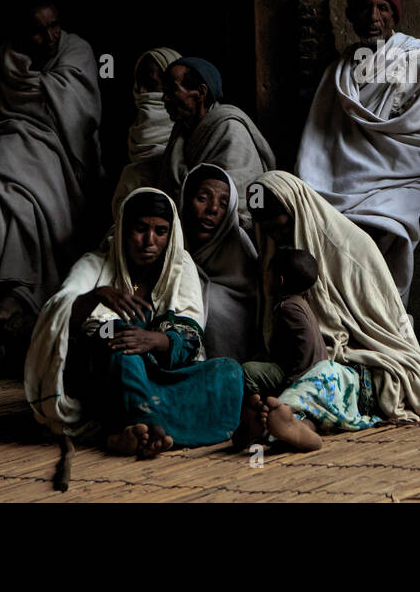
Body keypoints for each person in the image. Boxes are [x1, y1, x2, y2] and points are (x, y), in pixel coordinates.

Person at [25, 187, 244, 458]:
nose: (148, 241)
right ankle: (148, 427)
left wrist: (156, 340)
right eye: (140, 229)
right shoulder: (96, 263)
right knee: (117, 337)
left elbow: (191, 337)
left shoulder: (180, 266)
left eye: (160, 231)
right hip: (106, 374)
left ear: (170, 234)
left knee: (228, 371)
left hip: (160, 375)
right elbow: (58, 311)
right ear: (123, 229)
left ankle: (129, 430)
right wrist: (95, 296)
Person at [296, 0, 420, 303]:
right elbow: (322, 143)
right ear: (352, 18)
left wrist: (380, 168)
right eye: (364, 8)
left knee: (382, 226)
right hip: (344, 182)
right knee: (317, 225)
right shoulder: (339, 73)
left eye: (382, 8)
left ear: (394, 17)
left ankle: (382, 318)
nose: (373, 17)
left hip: (406, 179)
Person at [0, 0, 103, 330]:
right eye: (39, 31)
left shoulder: (78, 50)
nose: (50, 36)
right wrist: (37, 96)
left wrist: (39, 93)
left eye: (54, 25)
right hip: (7, 141)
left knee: (16, 191)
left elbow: (80, 111)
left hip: (60, 150)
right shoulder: (6, 60)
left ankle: (3, 283)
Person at [244, 171, 420, 435]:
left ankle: (291, 421)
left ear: (298, 210)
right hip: (302, 365)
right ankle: (283, 421)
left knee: (327, 378)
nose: (277, 237)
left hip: (360, 365)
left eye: (282, 227)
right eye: (270, 231)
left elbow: (385, 332)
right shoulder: (275, 260)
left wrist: (330, 352)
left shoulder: (351, 250)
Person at [235, 247, 354, 452]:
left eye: (268, 273)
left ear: (279, 281)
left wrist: (295, 380)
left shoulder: (287, 308)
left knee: (247, 370)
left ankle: (255, 410)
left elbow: (306, 343)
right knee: (301, 415)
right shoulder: (301, 303)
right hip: (314, 373)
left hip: (303, 372)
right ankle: (302, 430)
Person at [158, 57, 274, 227]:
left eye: (172, 90)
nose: (165, 98)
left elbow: (237, 201)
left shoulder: (231, 131)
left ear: (201, 93)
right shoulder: (181, 130)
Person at [181, 162, 260, 361]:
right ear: (185, 200)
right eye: (202, 198)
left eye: (224, 203)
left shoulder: (239, 248)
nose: (213, 209)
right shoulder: (166, 241)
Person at [108, 47, 182, 216]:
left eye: (151, 84)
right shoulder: (132, 132)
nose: (142, 93)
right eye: (139, 85)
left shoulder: (188, 134)